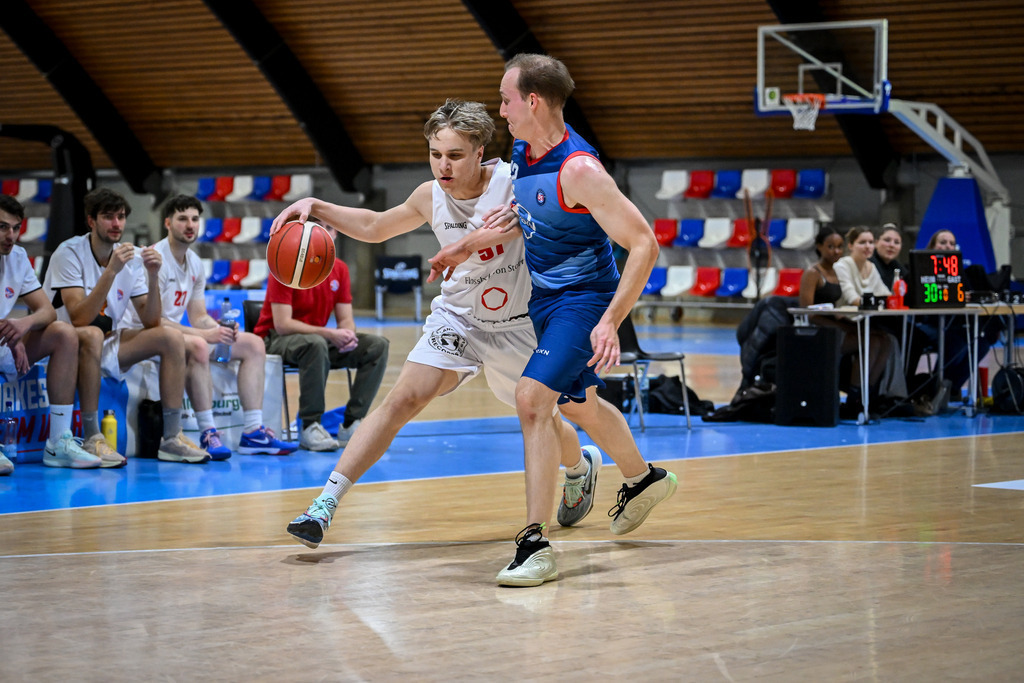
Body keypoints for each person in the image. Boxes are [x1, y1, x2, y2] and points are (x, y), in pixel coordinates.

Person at [276, 99, 601, 554]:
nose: (442, 166)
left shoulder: (515, 181)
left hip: (519, 324)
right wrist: (317, 206)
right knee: (403, 398)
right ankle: (324, 504)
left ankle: (579, 467)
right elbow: (372, 226)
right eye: (434, 154)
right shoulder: (429, 195)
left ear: (480, 151)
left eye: (453, 155)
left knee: (541, 416)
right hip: (460, 318)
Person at [494, 53, 677, 585]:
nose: (500, 110)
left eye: (506, 99)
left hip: (584, 300)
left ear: (532, 100)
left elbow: (645, 244)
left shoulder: (580, 169)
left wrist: (610, 319)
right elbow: (529, 218)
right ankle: (643, 480)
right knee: (582, 406)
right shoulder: (523, 150)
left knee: (532, 401)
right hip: (546, 302)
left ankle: (535, 544)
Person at [43, 187, 210, 464]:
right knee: (93, 334)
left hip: (107, 339)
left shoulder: (130, 258)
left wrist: (154, 276)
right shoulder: (69, 252)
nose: (117, 224)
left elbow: (152, 321)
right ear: (91, 221)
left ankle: (171, 438)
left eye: (121, 217)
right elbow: (78, 319)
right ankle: (93, 436)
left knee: (170, 338)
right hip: (64, 341)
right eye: (108, 217)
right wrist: (110, 272)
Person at [121, 194, 296, 458]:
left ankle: (252, 432)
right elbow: (155, 321)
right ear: (167, 223)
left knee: (253, 344)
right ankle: (208, 433)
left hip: (175, 334)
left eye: (194, 218)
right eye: (182, 219)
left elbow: (198, 314)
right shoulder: (154, 259)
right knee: (200, 345)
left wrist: (221, 329)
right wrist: (206, 334)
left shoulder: (194, 263)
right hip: (144, 335)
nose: (190, 225)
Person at [251, 229, 389, 452]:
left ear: (335, 234)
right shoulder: (284, 265)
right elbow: (283, 324)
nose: (325, 231)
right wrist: (330, 334)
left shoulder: (340, 269)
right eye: (318, 226)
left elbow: (345, 319)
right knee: (314, 343)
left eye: (330, 227)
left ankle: (352, 423)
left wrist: (347, 335)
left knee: (376, 346)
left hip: (316, 341)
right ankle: (309, 425)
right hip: (276, 339)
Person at [0, 195, 98, 473]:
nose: (11, 236)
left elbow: (47, 311)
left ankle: (58, 442)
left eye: (16, 228)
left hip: (6, 342)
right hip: (5, 341)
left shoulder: (17, 257)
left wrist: (23, 326)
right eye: (2, 227)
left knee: (65, 334)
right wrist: (12, 335)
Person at [799, 226, 898, 414]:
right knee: (870, 342)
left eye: (839, 247)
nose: (836, 251)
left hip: (841, 326)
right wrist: (841, 325)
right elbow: (807, 314)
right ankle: (854, 399)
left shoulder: (839, 271)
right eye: (830, 246)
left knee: (885, 340)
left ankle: (868, 395)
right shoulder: (813, 273)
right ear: (819, 247)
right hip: (818, 331)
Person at [870, 223, 908, 290]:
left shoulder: (896, 266)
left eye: (896, 242)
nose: (892, 245)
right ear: (876, 243)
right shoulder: (868, 263)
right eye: (887, 240)